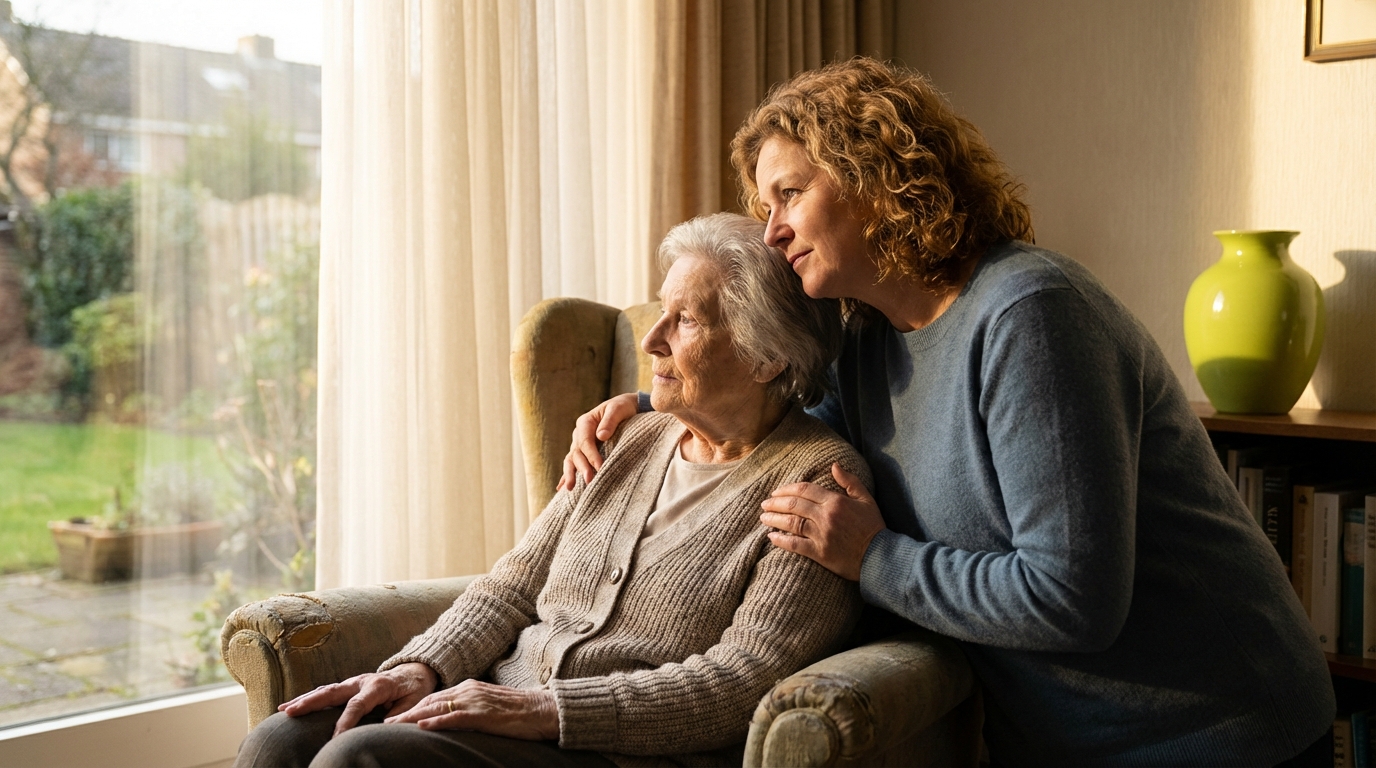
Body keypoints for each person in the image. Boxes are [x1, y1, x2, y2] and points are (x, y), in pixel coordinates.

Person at [561, 59, 1336, 767]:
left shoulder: (1029, 316)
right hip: (1051, 743)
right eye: (766, 206)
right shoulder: (868, 338)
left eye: (791, 194)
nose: (773, 231)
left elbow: (1073, 601)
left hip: (1212, 734)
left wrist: (875, 558)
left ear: (876, 174)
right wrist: (646, 404)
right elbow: (777, 417)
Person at [233, 212, 869, 768]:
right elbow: (513, 587)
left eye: (686, 322)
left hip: (614, 750)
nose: (652, 339)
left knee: (360, 757)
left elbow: (741, 681)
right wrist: (421, 667)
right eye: (659, 310)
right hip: (502, 711)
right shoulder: (625, 437)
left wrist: (540, 708)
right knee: (281, 740)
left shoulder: (814, 481)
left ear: (767, 358)